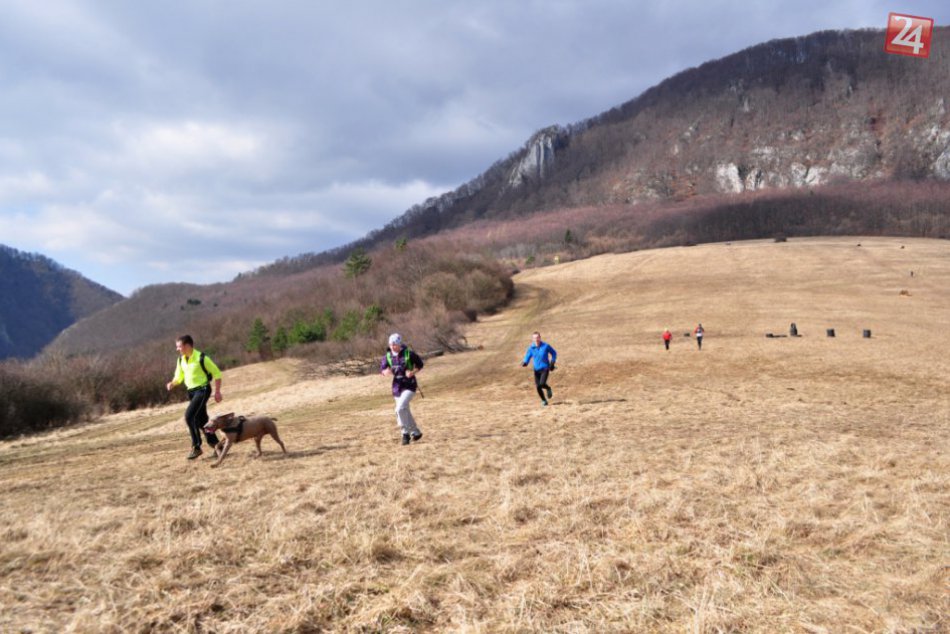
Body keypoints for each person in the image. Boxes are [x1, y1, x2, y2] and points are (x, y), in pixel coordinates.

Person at [166, 335, 223, 460]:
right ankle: (217, 445)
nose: (177, 349)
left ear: (187, 346)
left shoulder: (202, 358)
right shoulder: (180, 360)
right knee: (202, 420)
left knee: (190, 416)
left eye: (179, 346)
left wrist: (217, 392)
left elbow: (217, 374)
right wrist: (172, 383)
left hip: (203, 390)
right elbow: (179, 377)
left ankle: (196, 447)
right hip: (191, 392)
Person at [380, 333, 424, 445]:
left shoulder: (409, 354)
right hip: (397, 387)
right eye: (391, 344)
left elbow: (420, 364)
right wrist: (385, 372)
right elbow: (383, 369)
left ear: (400, 344)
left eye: (395, 344)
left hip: (409, 385)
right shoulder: (388, 356)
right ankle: (416, 432)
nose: (393, 346)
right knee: (404, 410)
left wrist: (412, 372)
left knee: (399, 409)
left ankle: (405, 434)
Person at [521, 331, 557, 406]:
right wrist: (525, 362)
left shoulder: (546, 346)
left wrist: (552, 362)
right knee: (538, 387)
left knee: (542, 383)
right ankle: (544, 400)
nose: (536, 339)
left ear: (540, 338)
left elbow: (554, 353)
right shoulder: (531, 348)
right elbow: (528, 356)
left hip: (545, 368)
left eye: (537, 337)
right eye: (534, 338)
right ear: (532, 339)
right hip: (536, 370)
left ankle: (548, 388)